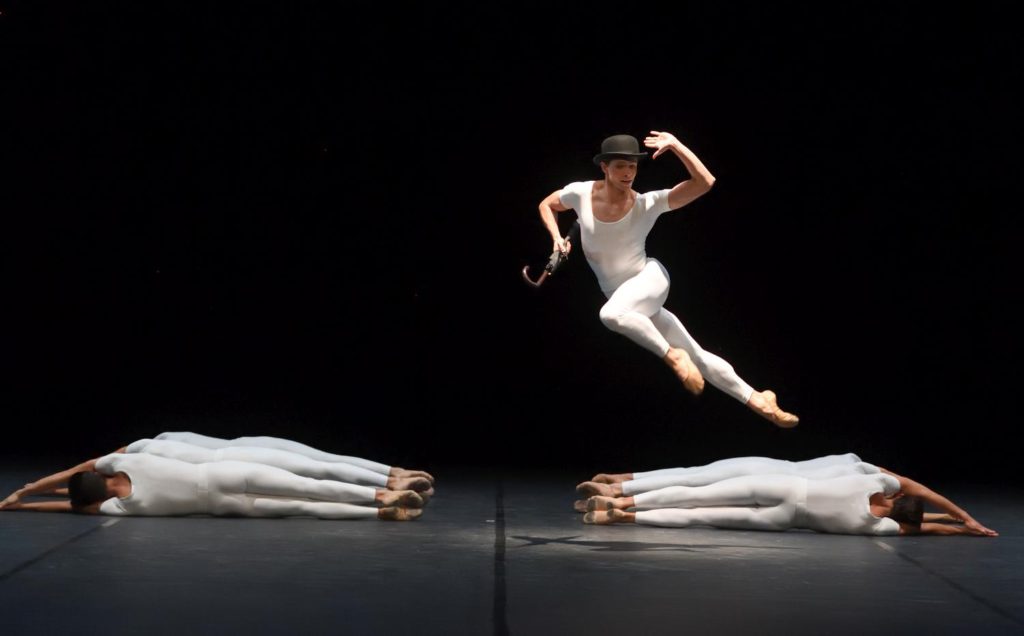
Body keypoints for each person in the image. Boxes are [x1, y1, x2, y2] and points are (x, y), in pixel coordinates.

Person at [536, 131, 798, 427]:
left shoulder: (647, 204)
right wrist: (557, 238)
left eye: (633, 166)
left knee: (610, 314)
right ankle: (760, 400)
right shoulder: (580, 193)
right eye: (621, 165)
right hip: (630, 302)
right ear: (604, 168)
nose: (628, 173)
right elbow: (547, 205)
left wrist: (676, 145)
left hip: (650, 280)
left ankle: (672, 357)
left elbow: (705, 183)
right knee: (697, 355)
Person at [1, 440, 431, 520]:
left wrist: (26, 507)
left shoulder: (125, 508)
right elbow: (75, 475)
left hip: (224, 504)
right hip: (228, 469)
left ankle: (378, 509)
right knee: (311, 481)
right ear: (101, 474)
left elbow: (72, 502)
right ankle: (379, 490)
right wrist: (26, 489)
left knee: (304, 505)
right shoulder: (135, 457)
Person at [580, 464, 998, 537]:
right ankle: (621, 516)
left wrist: (965, 516)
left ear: (894, 496)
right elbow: (924, 525)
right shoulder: (878, 526)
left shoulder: (874, 480)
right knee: (699, 517)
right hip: (784, 519)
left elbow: (919, 490)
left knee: (696, 492)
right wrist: (958, 528)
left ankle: (625, 496)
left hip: (782, 486)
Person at [576, 453, 873, 502]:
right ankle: (619, 488)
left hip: (769, 470)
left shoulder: (857, 470)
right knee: (695, 482)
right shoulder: (862, 470)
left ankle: (620, 483)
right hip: (769, 473)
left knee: (693, 477)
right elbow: (902, 483)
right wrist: (922, 497)